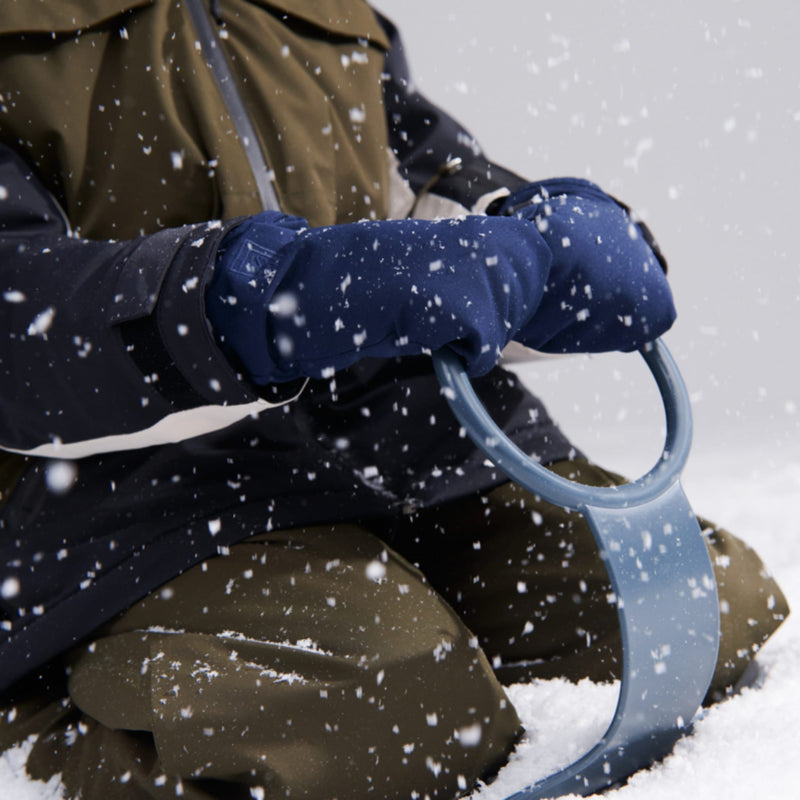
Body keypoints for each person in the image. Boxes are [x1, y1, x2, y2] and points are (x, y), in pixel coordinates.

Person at [0, 2, 788, 798]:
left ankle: (376, 638)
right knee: (396, 716)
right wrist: (256, 303)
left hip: (404, 446)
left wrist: (534, 240)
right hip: (117, 506)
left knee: (696, 606)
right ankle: (37, 732)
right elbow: (18, 320)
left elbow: (424, 181)